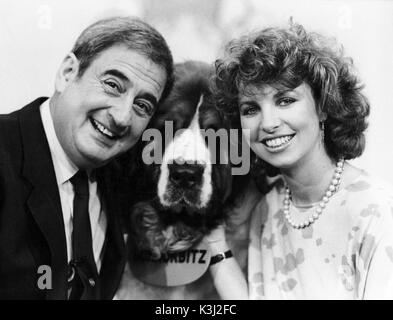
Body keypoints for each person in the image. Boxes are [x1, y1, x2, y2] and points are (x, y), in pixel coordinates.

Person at [211, 22, 393, 299]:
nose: (268, 123)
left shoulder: (378, 211)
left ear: (322, 106)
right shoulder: (267, 209)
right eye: (251, 109)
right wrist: (213, 243)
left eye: (285, 100)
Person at [0, 16, 173, 299]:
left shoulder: (121, 179)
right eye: (113, 85)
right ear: (67, 73)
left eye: (142, 105)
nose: (122, 116)